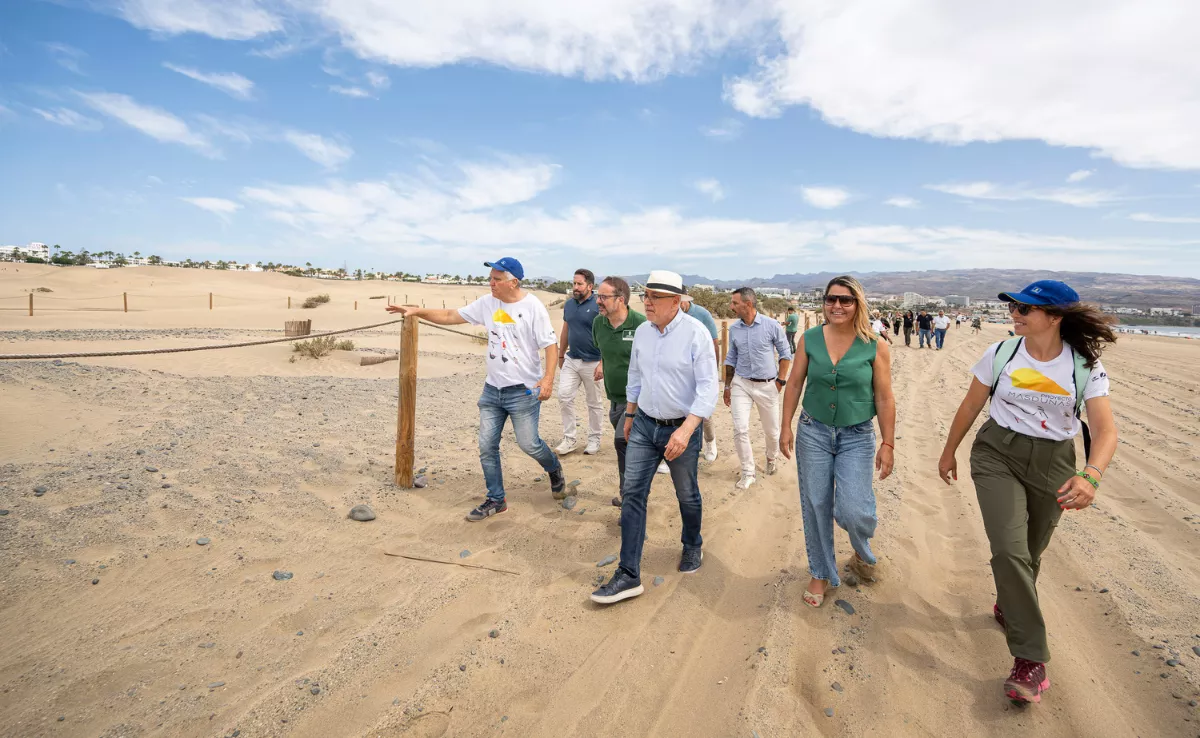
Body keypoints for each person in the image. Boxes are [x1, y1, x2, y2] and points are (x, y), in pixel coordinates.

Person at [937, 280, 1118, 705]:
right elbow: (970, 406)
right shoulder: (999, 354)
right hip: (997, 453)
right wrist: (949, 452)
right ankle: (1029, 660)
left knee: (1031, 551)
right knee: (1009, 549)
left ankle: (1009, 604)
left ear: (1055, 318)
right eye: (1015, 306)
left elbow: (1106, 431)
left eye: (1026, 309)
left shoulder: (1085, 366)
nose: (1015, 313)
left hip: (1054, 462)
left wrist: (1090, 476)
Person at [387, 257, 565, 521]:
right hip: (493, 390)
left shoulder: (533, 307)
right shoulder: (487, 303)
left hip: (524, 391)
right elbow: (450, 315)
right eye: (490, 278)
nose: (491, 283)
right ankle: (496, 499)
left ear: (513, 282)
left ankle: (554, 469)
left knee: (529, 444)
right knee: (486, 446)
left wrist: (548, 379)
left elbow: (550, 345)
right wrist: (416, 312)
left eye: (497, 279)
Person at [591, 270, 718, 604]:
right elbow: (636, 374)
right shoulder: (643, 332)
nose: (646, 302)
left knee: (687, 493)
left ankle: (692, 544)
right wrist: (630, 413)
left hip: (682, 427)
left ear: (675, 301)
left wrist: (687, 430)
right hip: (645, 423)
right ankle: (629, 574)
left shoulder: (697, 334)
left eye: (654, 297)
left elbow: (708, 389)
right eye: (645, 295)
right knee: (633, 492)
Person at [779, 275, 896, 608]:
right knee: (815, 503)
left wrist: (888, 443)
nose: (837, 306)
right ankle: (821, 572)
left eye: (846, 300)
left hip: (857, 436)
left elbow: (885, 398)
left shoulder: (875, 344)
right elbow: (795, 383)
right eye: (831, 299)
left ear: (857, 304)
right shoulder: (810, 338)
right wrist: (785, 426)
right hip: (813, 431)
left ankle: (860, 551)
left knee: (854, 509)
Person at [723, 287, 792, 490]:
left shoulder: (771, 326)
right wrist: (727, 385)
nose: (731, 306)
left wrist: (779, 382)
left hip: (768, 385)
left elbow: (785, 354)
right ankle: (748, 471)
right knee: (740, 428)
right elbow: (731, 358)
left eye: (735, 303)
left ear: (748, 304)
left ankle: (771, 458)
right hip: (741, 383)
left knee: (772, 431)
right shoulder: (734, 329)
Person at [592, 276, 647, 507]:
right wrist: (602, 364)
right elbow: (604, 351)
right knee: (631, 452)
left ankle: (631, 500)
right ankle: (631, 494)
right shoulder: (598, 324)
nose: (598, 301)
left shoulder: (642, 325)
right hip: (614, 401)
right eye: (598, 296)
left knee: (622, 444)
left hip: (637, 402)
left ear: (621, 299)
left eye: (603, 297)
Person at [555, 269, 606, 456]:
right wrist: (561, 355)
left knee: (594, 403)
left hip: (593, 361)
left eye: (579, 284)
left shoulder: (599, 305)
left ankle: (594, 439)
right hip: (572, 358)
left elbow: (606, 334)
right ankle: (570, 439)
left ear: (590, 286)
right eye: (574, 283)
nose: (575, 287)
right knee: (563, 396)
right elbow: (565, 329)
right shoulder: (569, 305)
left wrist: (602, 362)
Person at [681, 294, 722, 464]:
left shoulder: (702, 314)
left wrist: (714, 372)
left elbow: (714, 342)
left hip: (700, 370)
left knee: (704, 412)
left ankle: (711, 443)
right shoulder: (672, 315)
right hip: (681, 371)